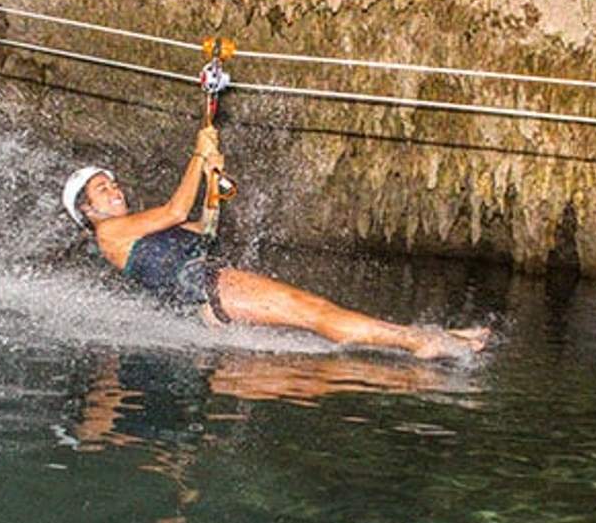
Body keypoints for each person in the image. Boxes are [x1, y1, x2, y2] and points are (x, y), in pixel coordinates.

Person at [61, 115, 488, 360]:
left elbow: (204, 228)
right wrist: (199, 151)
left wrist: (212, 181)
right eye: (102, 189)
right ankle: (420, 342)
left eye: (112, 184)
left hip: (211, 296)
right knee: (315, 311)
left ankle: (427, 336)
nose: (114, 190)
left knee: (313, 321)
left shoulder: (138, 229)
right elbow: (176, 209)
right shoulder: (111, 233)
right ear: (87, 210)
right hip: (214, 289)